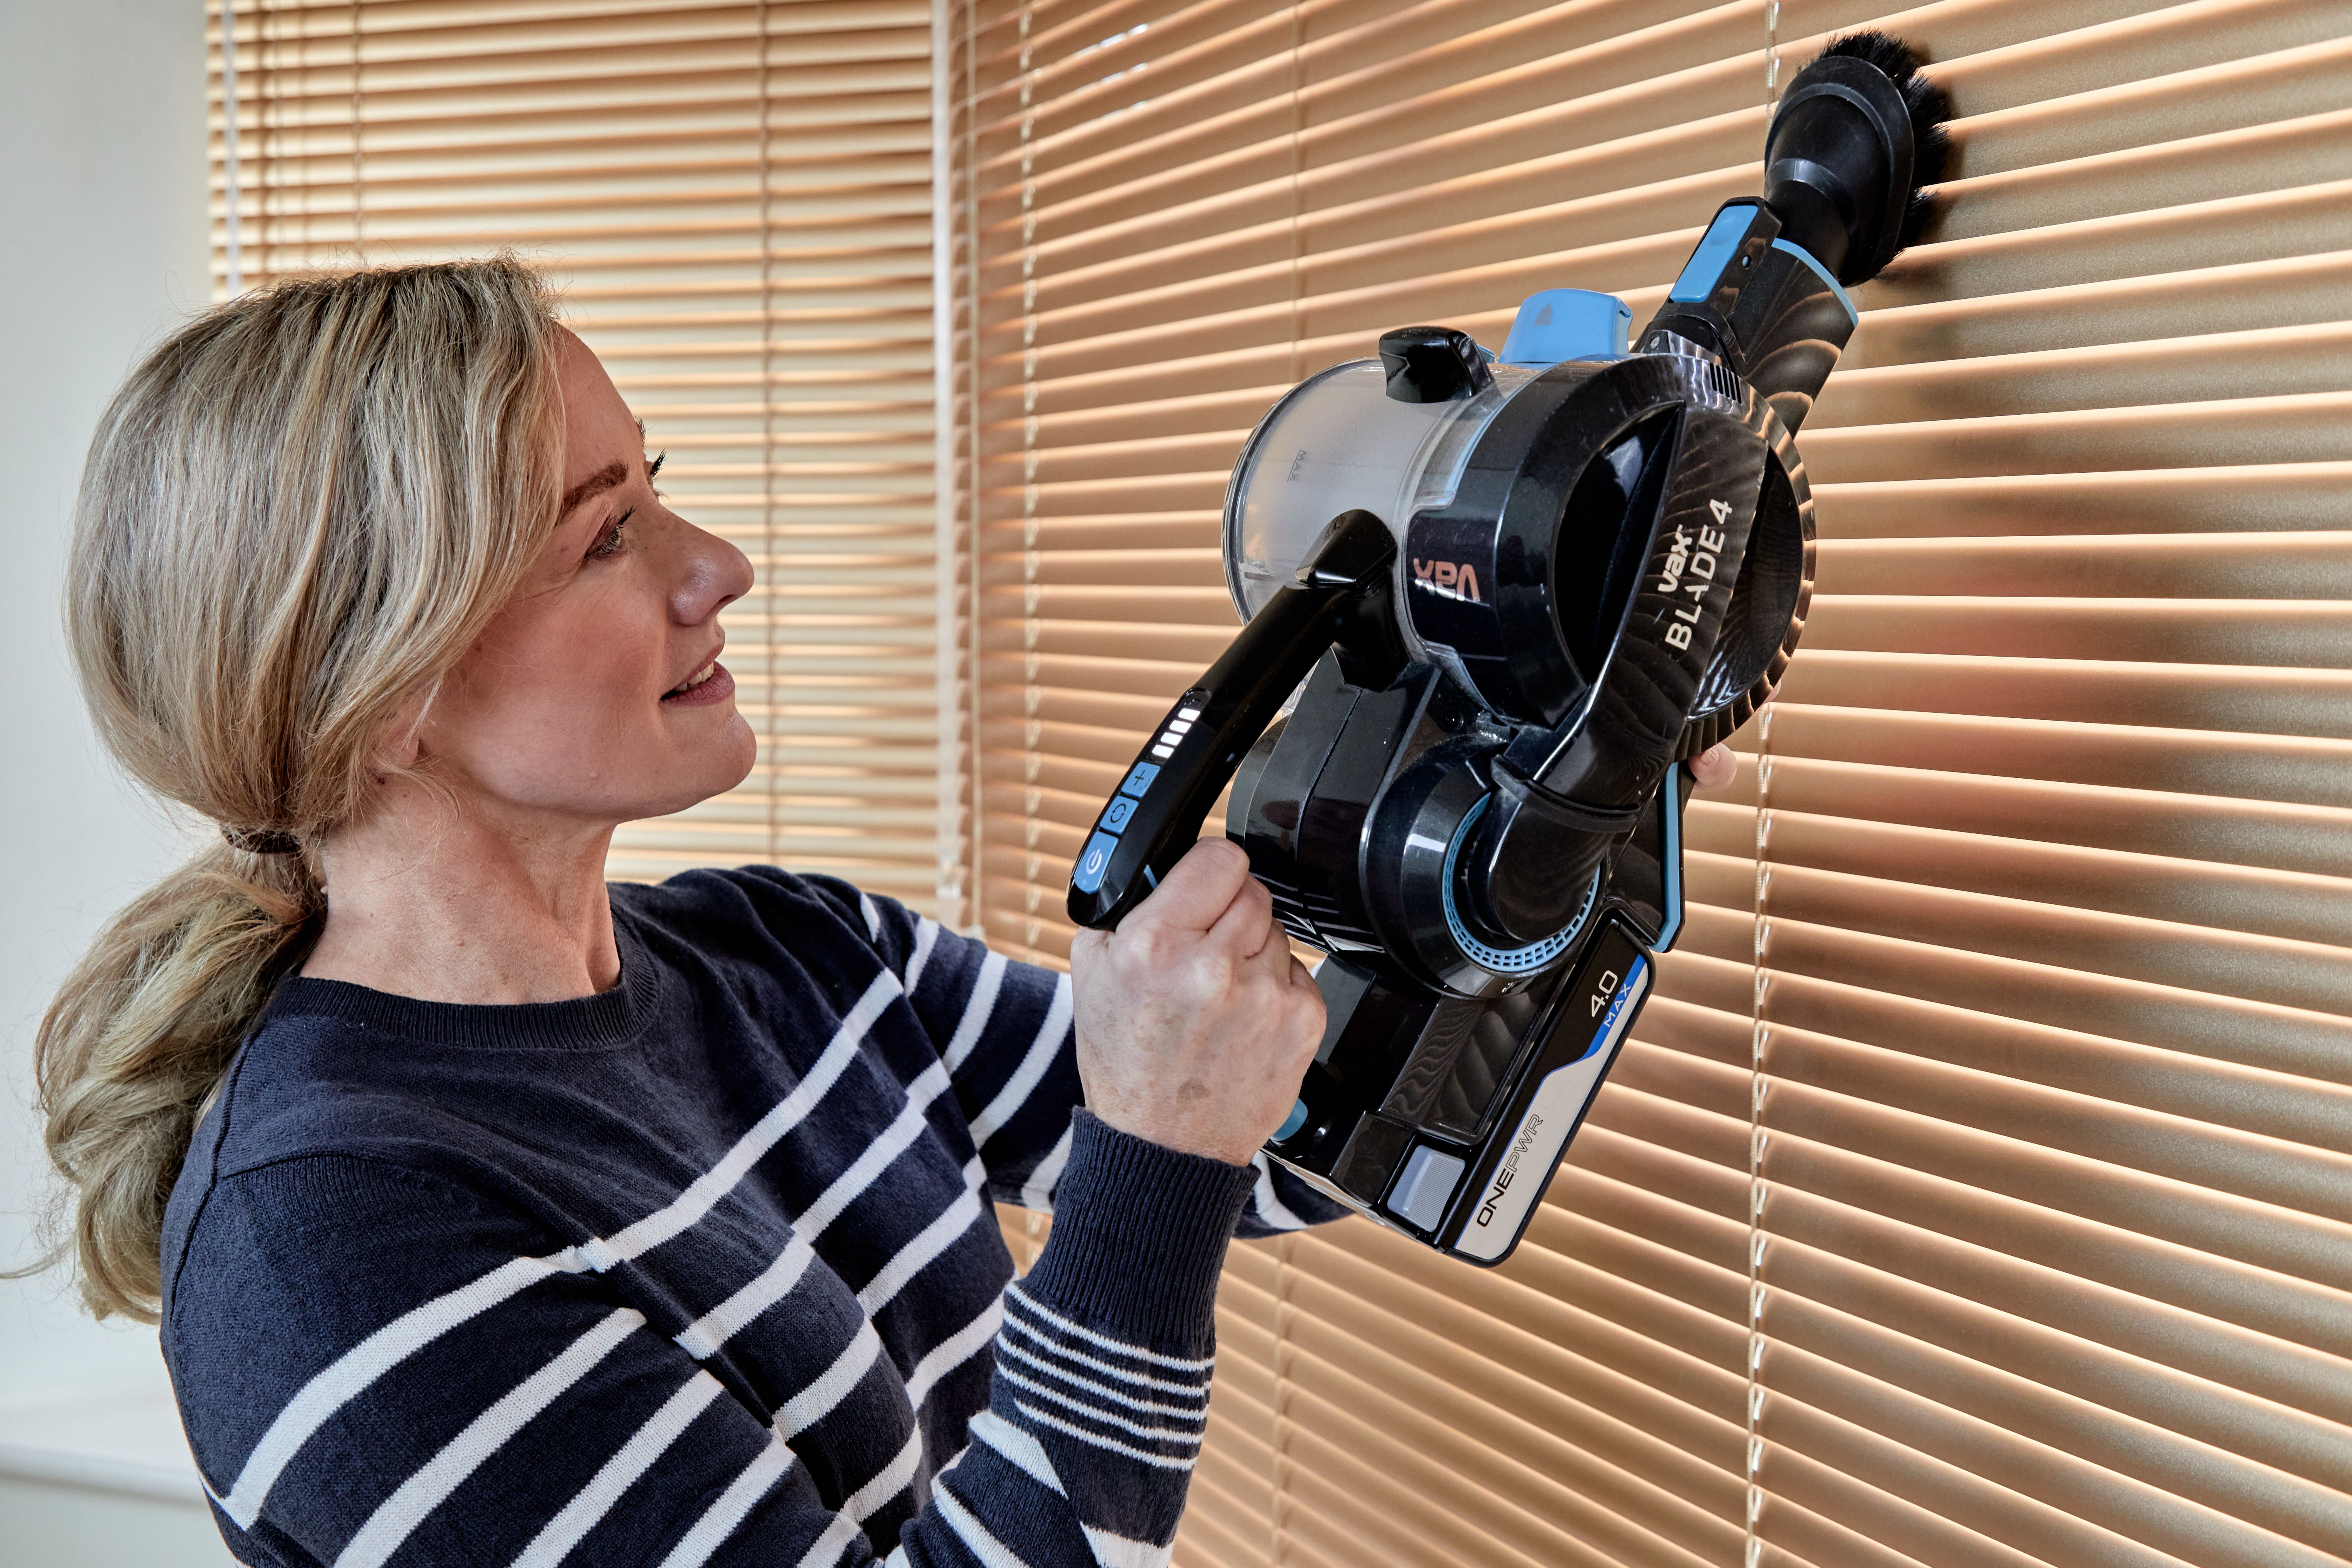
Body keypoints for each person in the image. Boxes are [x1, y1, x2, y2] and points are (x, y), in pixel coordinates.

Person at [33, 258, 1737, 1567]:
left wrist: (1566, 749)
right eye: (605, 539)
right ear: (381, 693)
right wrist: (1154, 1144)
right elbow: (1163, 1156)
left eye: (658, 487)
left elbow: (1269, 1145)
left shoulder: (782, 958)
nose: (717, 566)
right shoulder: (334, 1240)